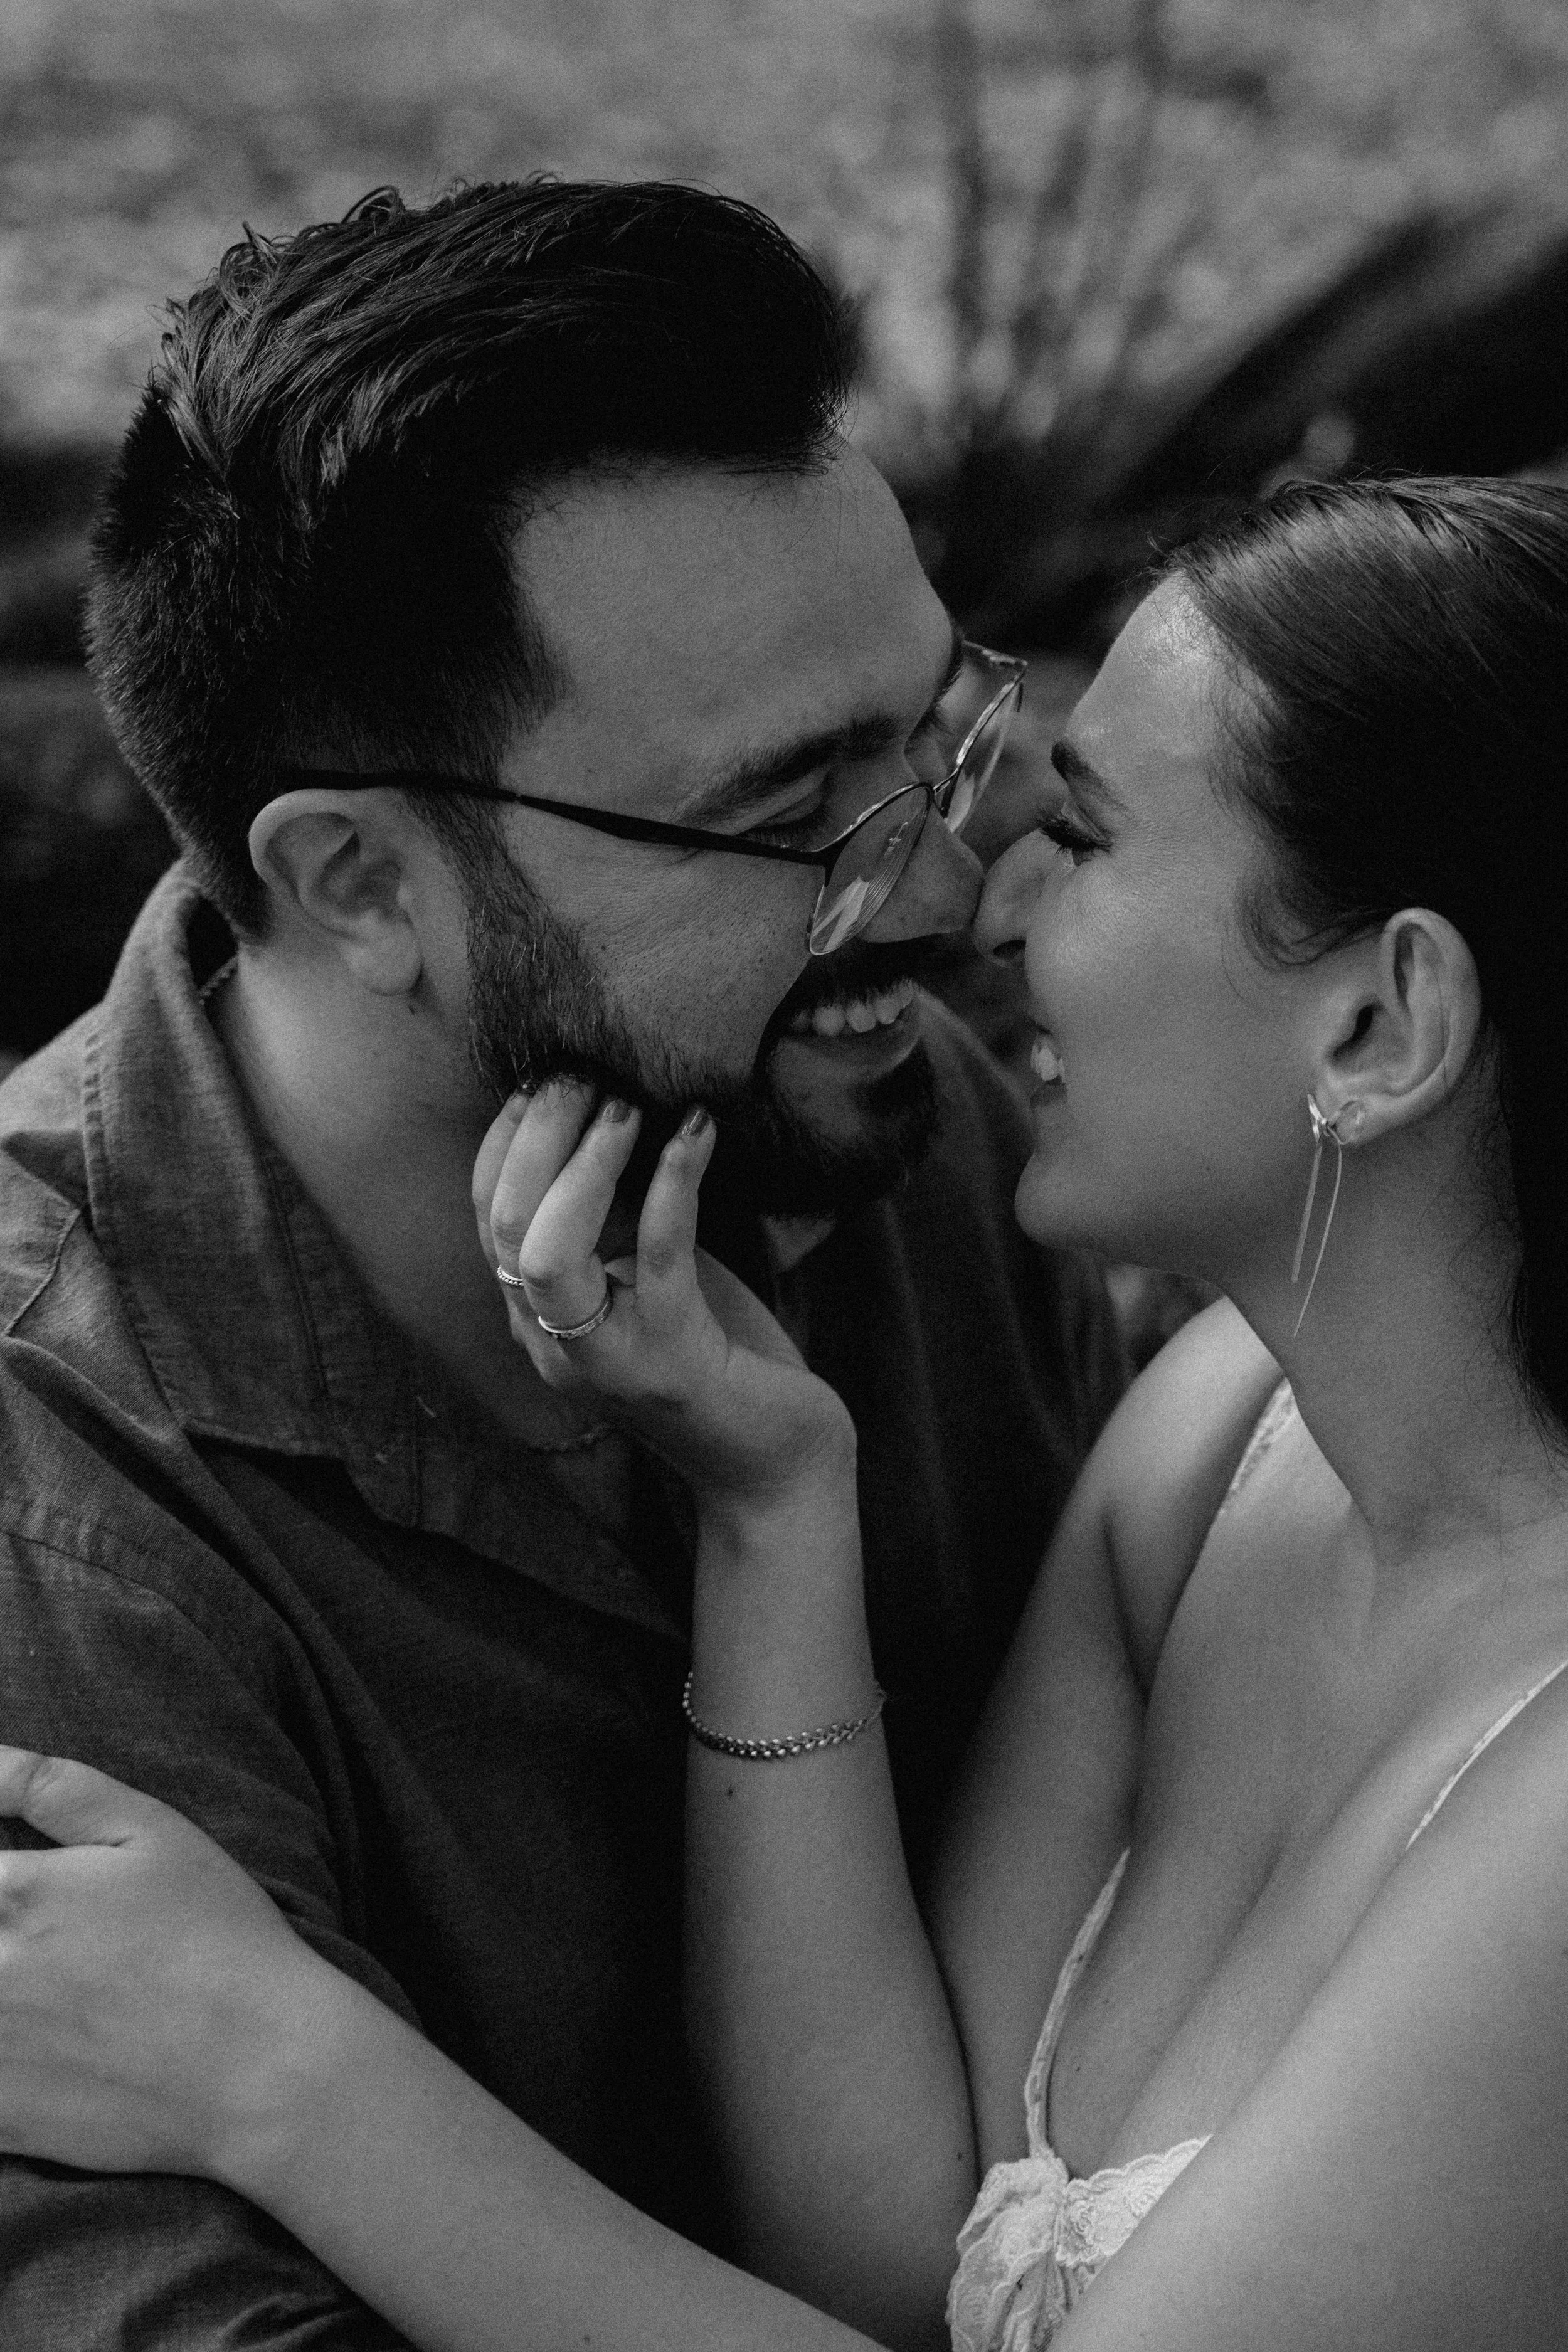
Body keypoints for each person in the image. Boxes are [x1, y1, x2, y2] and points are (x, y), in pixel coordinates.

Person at [4, 472, 1568, 2352]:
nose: (968, 896)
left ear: (1377, 1026)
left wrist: (286, 2073)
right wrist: (771, 1500)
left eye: (1078, 828)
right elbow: (878, 2248)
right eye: (782, 804)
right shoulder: (1221, 1431)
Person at [0, 180, 1125, 2344]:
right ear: (357, 883)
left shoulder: (911, 1131)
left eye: (937, 731)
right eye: (802, 803)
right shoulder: (63, 1508)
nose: (958, 884)